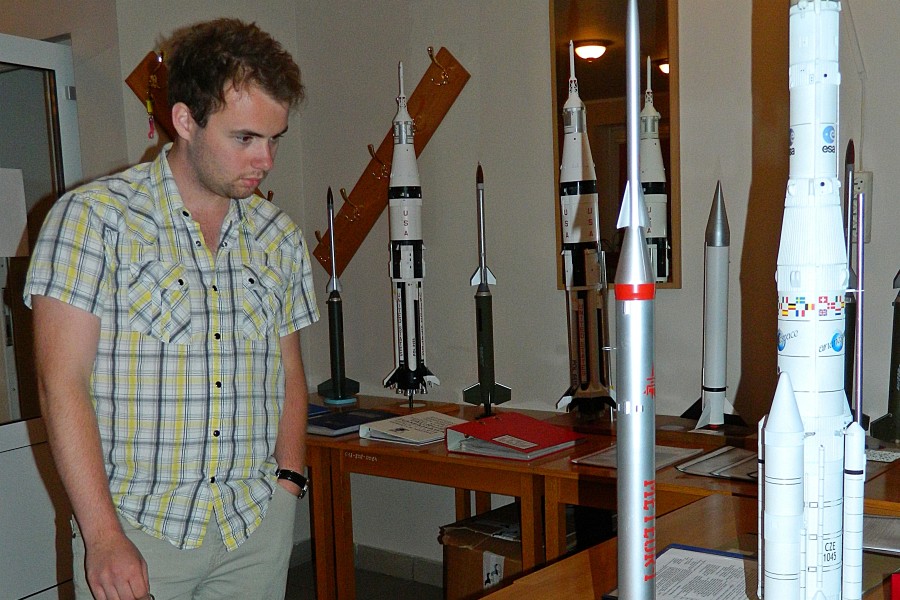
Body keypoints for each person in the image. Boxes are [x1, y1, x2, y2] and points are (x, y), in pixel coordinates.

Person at [25, 18, 318, 600]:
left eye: (274, 138)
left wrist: (288, 486)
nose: (265, 160)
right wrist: (102, 535)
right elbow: (61, 384)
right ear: (185, 120)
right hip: (136, 531)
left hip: (253, 527)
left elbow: (288, 373)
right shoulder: (94, 219)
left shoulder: (278, 236)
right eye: (245, 138)